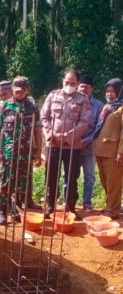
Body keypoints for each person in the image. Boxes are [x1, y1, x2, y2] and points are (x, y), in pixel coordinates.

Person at [0, 77, 43, 225]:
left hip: (25, 154)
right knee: (5, 182)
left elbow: (38, 132)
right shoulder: (4, 107)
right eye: (16, 92)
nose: (18, 94)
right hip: (9, 153)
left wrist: (38, 153)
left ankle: (15, 210)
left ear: (27, 91)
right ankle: (2, 211)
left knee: (21, 184)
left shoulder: (32, 109)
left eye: (21, 92)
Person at [40, 70, 90, 220]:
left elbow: (84, 122)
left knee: (71, 177)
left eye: (73, 83)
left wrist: (67, 137)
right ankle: (50, 205)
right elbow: (44, 117)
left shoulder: (83, 99)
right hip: (53, 145)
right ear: (63, 81)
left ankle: (70, 208)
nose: (69, 85)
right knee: (51, 176)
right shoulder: (53, 95)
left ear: (77, 84)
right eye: (67, 82)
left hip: (72, 146)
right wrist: (51, 135)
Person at [62, 75, 103, 212]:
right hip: (72, 146)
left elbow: (99, 127)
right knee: (68, 174)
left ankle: (87, 203)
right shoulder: (70, 101)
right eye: (82, 86)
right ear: (77, 86)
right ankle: (66, 202)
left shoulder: (98, 106)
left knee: (89, 176)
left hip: (88, 147)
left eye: (87, 87)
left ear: (92, 89)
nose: (84, 89)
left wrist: (86, 140)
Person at [93, 78, 123, 220]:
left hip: (113, 152)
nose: (110, 94)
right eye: (108, 91)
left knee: (113, 183)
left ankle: (113, 210)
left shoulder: (121, 108)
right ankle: (111, 205)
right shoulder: (107, 106)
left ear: (119, 92)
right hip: (100, 150)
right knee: (105, 181)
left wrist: (121, 152)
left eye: (113, 91)